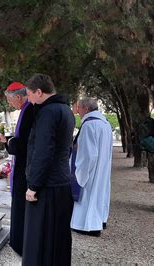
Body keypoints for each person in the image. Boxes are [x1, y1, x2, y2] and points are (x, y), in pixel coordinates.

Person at [22, 73, 75, 266]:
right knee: (57, 238)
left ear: (39, 92)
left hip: (46, 186)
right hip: (61, 181)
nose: (29, 100)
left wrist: (33, 185)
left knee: (40, 238)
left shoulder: (47, 112)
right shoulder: (66, 110)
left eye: (29, 95)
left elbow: (43, 151)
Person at [0, 82, 34, 256]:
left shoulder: (29, 111)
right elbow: (20, 139)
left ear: (18, 96)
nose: (9, 104)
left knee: (20, 205)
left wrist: (10, 142)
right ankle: (18, 241)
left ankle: (20, 243)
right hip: (23, 165)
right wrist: (7, 140)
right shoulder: (26, 110)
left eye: (10, 100)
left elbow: (24, 143)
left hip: (25, 168)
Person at [71, 97, 112, 236]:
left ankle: (85, 225)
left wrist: (80, 174)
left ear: (86, 109)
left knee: (87, 196)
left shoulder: (89, 125)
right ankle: (97, 222)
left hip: (91, 170)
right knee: (98, 194)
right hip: (101, 168)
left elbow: (87, 154)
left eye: (79, 108)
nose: (78, 111)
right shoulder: (104, 123)